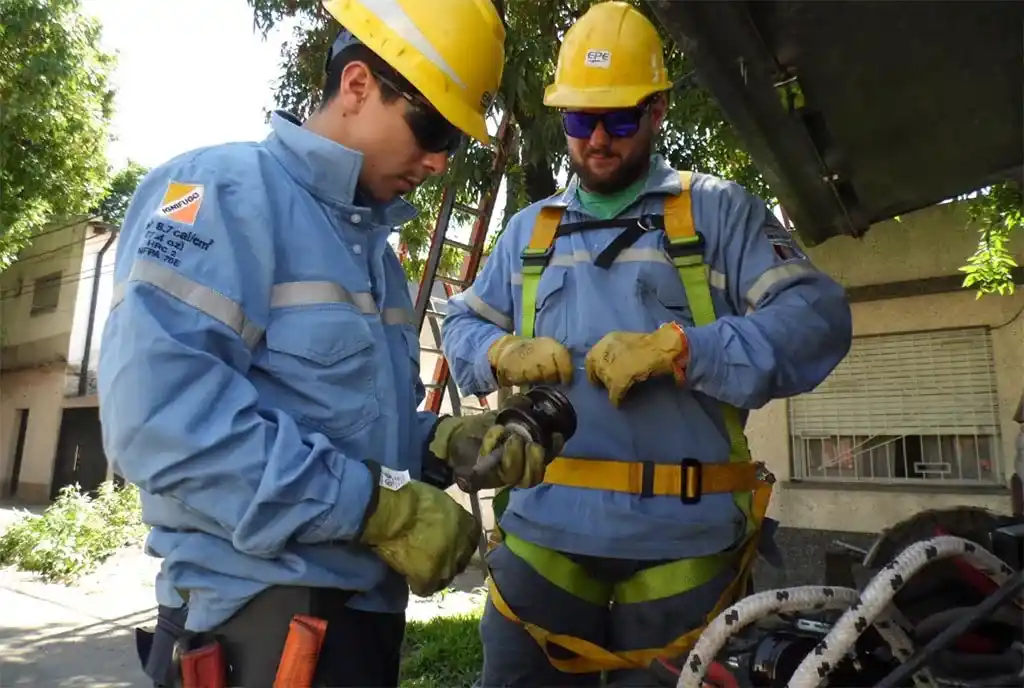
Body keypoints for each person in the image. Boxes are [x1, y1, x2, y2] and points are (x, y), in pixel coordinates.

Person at [96, 2, 543, 686]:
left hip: (355, 633)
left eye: (452, 139)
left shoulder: (375, 256)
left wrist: (438, 443)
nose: (436, 159)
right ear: (358, 85)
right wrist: (379, 509)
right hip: (257, 629)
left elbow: (344, 427)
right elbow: (162, 421)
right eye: (431, 126)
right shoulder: (218, 193)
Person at [441, 2, 854, 686]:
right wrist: (494, 351)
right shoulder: (529, 233)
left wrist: (685, 349)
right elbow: (459, 321)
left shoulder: (717, 212)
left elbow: (818, 317)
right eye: (579, 120)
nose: (596, 140)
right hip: (543, 541)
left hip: (683, 552)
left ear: (658, 110)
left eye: (620, 119)